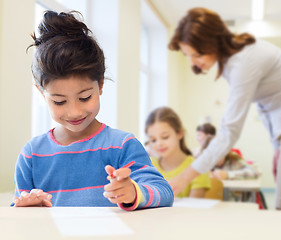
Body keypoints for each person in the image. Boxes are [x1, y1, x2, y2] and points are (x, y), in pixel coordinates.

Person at [12, 10, 174, 210]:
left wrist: (133, 192)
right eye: (59, 101)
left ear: (101, 84)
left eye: (85, 97)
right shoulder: (32, 154)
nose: (74, 112)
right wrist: (29, 207)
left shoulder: (122, 145)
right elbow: (19, 209)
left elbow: (163, 191)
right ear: (41, 92)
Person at [168, 7, 281, 210]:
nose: (192, 62)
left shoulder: (244, 62)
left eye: (197, 54)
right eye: (188, 55)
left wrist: (184, 177)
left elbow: (229, 130)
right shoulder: (232, 61)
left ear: (213, 42)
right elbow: (269, 104)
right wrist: (278, 147)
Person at [145, 107, 210, 198]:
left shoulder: (197, 168)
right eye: (153, 140)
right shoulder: (147, 167)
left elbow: (194, 209)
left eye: (165, 137)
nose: (159, 144)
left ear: (180, 133)